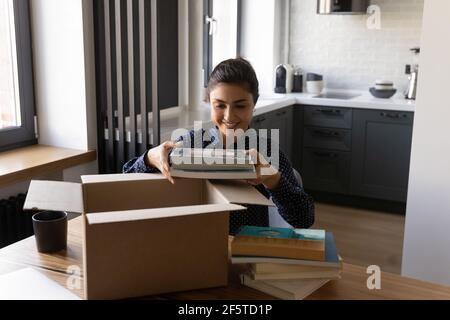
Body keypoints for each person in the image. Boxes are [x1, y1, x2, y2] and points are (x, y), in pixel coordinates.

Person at [123, 57, 315, 234]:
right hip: (194, 246)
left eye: (240, 106)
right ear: (209, 102)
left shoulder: (266, 151)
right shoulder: (189, 143)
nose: (229, 116)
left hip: (245, 252)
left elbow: (304, 219)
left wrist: (273, 179)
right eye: (220, 105)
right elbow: (126, 182)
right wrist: (150, 157)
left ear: (254, 104)